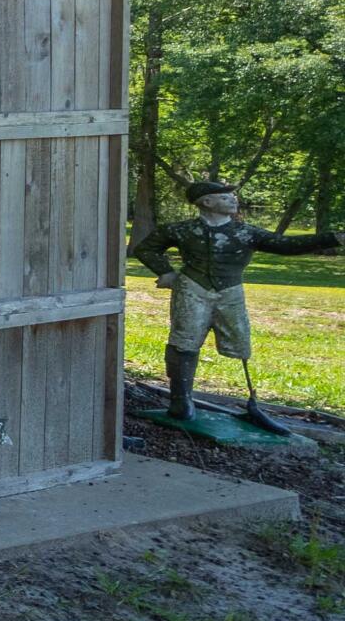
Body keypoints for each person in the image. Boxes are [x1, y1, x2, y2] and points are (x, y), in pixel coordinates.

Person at [130, 179, 338, 436]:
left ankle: (253, 402)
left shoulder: (245, 232)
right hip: (192, 290)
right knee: (184, 340)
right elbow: (146, 248)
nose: (233, 200)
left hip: (230, 292)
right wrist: (167, 273)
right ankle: (180, 399)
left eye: (232, 196)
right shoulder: (182, 230)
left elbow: (284, 245)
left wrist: (333, 238)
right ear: (206, 202)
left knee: (240, 342)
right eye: (224, 196)